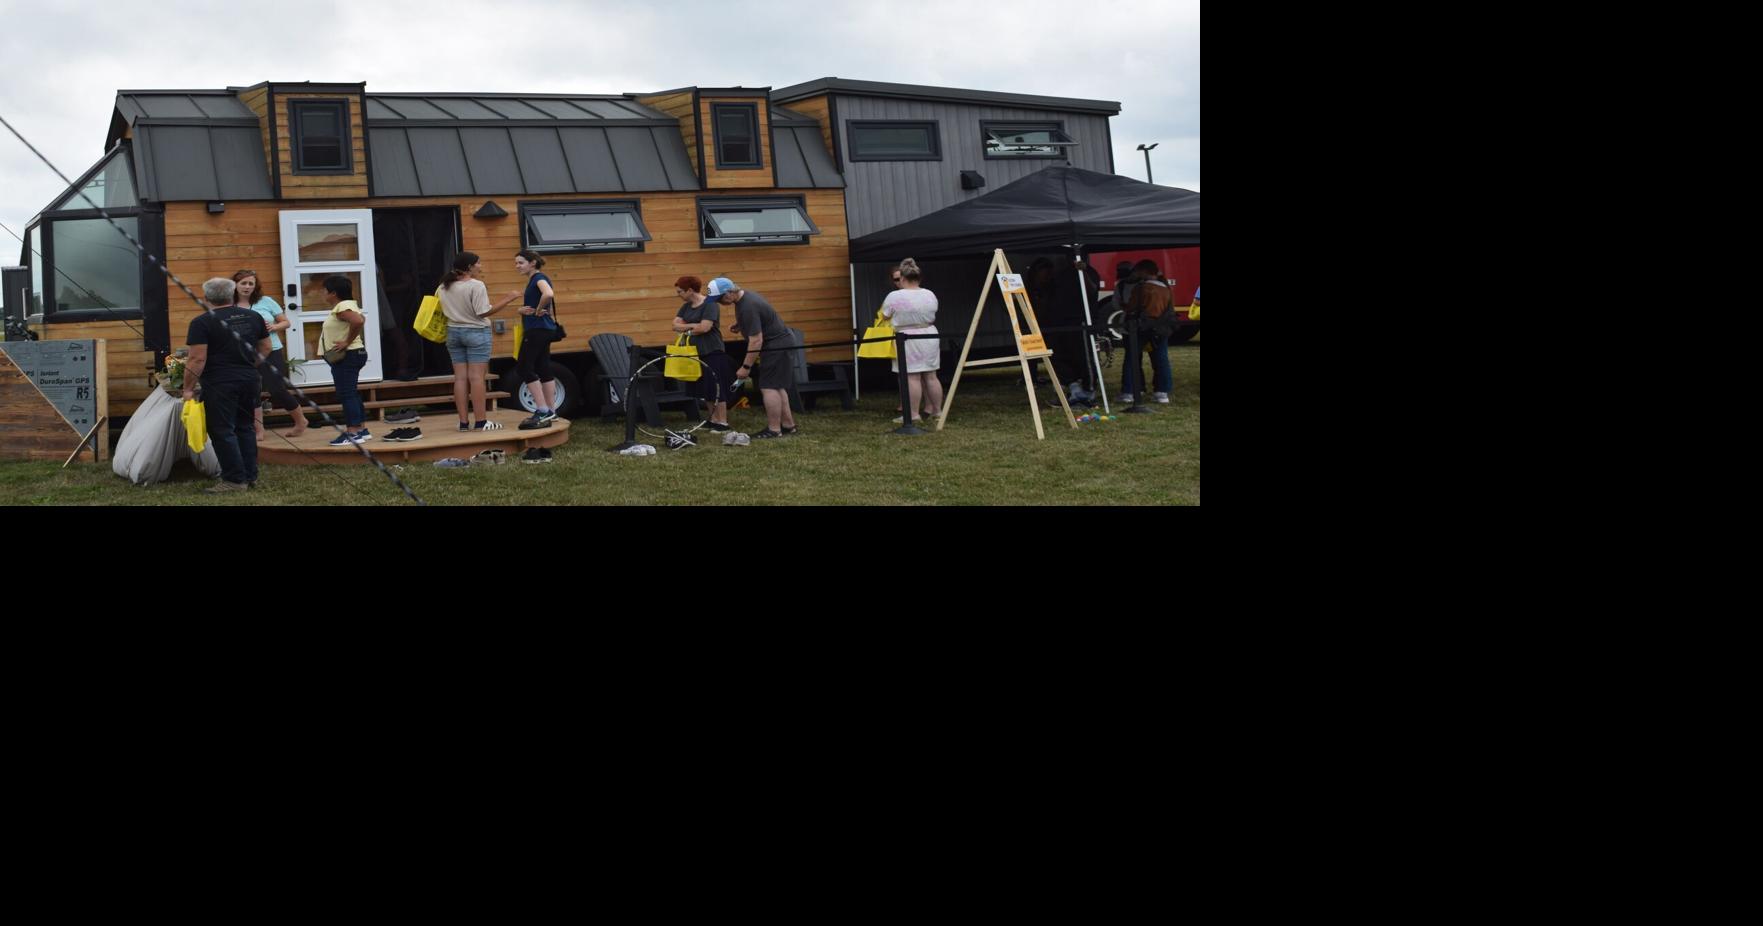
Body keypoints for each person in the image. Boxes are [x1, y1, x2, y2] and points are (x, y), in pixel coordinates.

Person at [184, 277, 271, 493]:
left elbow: (196, 359)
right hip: (249, 379)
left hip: (220, 383)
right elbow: (266, 347)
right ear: (233, 294)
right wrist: (249, 365)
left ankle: (234, 480)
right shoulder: (254, 316)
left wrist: (187, 388)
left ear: (206, 297)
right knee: (245, 427)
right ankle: (249, 476)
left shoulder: (202, 322)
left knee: (223, 430)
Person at [437, 252, 521, 432]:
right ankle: (481, 422)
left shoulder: (443, 286)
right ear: (469, 267)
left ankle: (463, 423)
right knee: (476, 378)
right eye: (478, 263)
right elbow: (482, 312)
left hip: (453, 332)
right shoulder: (476, 285)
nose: (480, 266)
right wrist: (509, 298)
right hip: (476, 332)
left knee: (460, 378)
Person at [709, 276, 797, 438]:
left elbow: (756, 340)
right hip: (782, 342)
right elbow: (760, 319)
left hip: (775, 346)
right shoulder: (746, 297)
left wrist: (745, 367)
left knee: (768, 387)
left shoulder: (748, 306)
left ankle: (774, 429)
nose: (719, 302)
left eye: (719, 298)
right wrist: (741, 324)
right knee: (777, 386)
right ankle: (788, 425)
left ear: (729, 293)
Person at [233, 269, 306, 440]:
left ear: (255, 286)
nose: (247, 287)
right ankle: (258, 430)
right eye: (243, 283)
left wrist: (273, 327)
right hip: (244, 353)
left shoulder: (266, 301)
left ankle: (301, 421)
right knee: (251, 391)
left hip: (271, 350)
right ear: (235, 285)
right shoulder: (230, 304)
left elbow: (286, 322)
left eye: (250, 283)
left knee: (277, 389)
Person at [881, 257, 942, 425]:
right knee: (931, 376)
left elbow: (885, 315)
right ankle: (938, 411)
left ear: (902, 278)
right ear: (919, 278)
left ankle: (913, 414)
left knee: (912, 376)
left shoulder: (894, 296)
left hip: (907, 337)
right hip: (929, 334)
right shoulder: (929, 294)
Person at [316, 275, 375, 444]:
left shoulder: (342, 306)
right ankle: (361, 429)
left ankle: (353, 432)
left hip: (348, 355)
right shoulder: (349, 305)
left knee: (346, 393)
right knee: (351, 392)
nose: (323, 293)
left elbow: (358, 321)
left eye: (324, 290)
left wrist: (347, 342)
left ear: (333, 293)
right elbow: (361, 319)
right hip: (353, 354)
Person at [671, 275, 734, 432]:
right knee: (705, 387)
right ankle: (713, 419)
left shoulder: (710, 304)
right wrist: (694, 326)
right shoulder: (686, 307)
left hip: (712, 350)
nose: (678, 295)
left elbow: (705, 328)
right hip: (695, 353)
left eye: (680, 292)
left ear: (690, 290)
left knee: (716, 386)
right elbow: (675, 325)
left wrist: (687, 326)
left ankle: (722, 422)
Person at [512, 249, 561, 430]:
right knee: (543, 367)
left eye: (520, 263)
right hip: (543, 329)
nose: (517, 266)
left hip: (537, 331)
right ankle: (552, 410)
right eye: (516, 263)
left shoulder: (539, 278)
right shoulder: (534, 279)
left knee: (524, 368)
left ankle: (542, 410)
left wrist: (539, 309)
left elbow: (548, 294)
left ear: (532, 263)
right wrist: (521, 310)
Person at [1119, 259, 1174, 404]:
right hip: (1160, 327)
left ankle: (1129, 391)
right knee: (1161, 359)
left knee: (1132, 359)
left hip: (1140, 327)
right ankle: (1162, 392)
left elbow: (1131, 307)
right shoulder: (1165, 288)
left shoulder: (1142, 288)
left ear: (1144, 271)